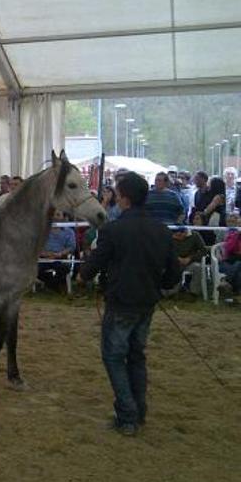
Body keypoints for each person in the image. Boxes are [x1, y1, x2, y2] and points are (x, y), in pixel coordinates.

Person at [78, 172, 181, 436]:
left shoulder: (114, 229)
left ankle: (127, 415)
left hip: (121, 302)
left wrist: (83, 274)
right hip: (147, 303)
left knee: (113, 357)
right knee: (136, 356)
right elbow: (173, 275)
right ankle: (139, 410)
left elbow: (94, 264)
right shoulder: (161, 230)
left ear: (123, 198)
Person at [37, 211, 76, 292]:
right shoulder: (42, 230)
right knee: (35, 270)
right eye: (52, 214)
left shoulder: (69, 232)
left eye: (58, 215)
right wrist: (45, 254)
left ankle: (50, 286)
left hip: (60, 259)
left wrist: (60, 254)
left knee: (65, 269)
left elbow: (71, 247)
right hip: (44, 259)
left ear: (63, 217)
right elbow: (36, 246)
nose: (54, 217)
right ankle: (53, 286)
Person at [171, 227, 207, 296]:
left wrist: (190, 258)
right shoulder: (169, 236)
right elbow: (165, 250)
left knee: (197, 267)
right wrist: (177, 258)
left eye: (180, 235)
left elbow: (203, 251)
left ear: (185, 232)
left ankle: (193, 293)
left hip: (191, 261)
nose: (179, 237)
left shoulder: (195, 235)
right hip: (175, 261)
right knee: (170, 267)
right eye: (176, 235)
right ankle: (172, 292)